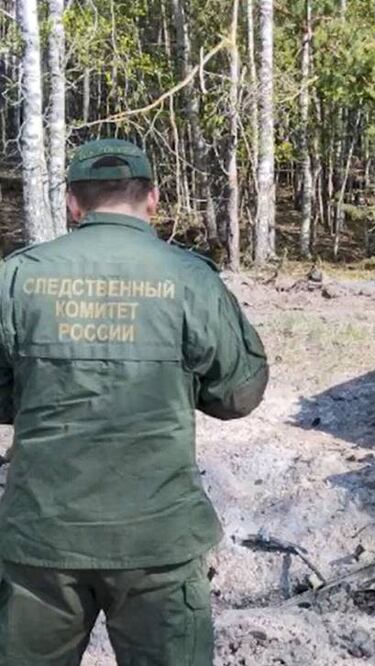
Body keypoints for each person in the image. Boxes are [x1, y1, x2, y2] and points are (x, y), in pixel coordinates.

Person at [0, 139, 268, 665]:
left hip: (42, 541)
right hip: (158, 542)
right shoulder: (189, 278)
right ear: (152, 199)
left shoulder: (17, 277)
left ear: (74, 205)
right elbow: (240, 393)